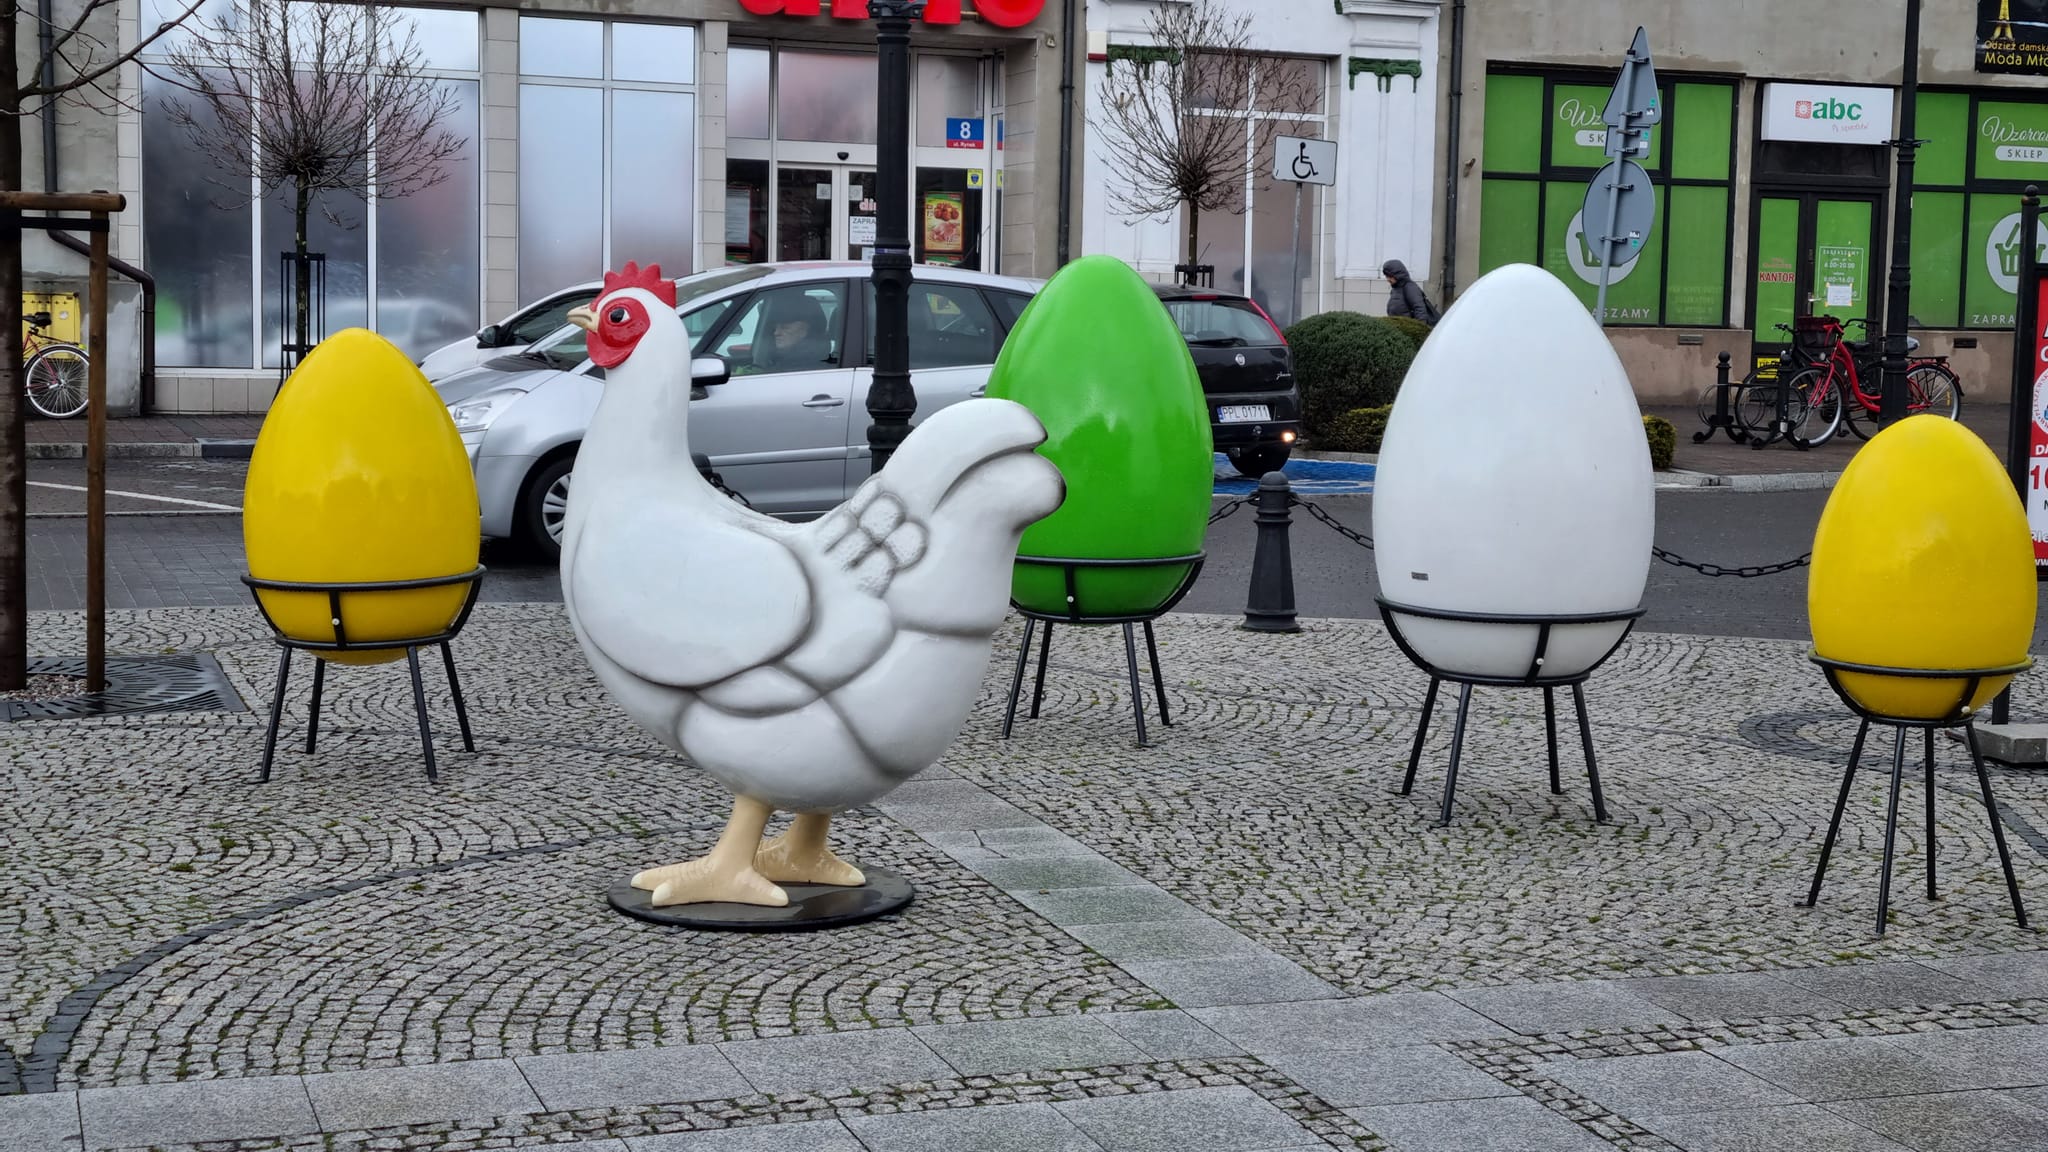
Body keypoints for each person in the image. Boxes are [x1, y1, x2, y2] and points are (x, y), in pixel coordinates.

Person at [1382, 260, 1439, 326]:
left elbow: (1419, 309)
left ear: (1397, 275)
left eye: (1390, 276)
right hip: (1399, 327)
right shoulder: (1395, 289)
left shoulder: (1409, 287)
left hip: (1409, 328)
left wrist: (1419, 328)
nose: (1388, 279)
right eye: (1386, 276)